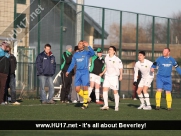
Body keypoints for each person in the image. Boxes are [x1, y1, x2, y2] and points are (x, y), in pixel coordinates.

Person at [66, 40, 95, 109]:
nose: (79, 45)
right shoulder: (75, 54)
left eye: (81, 44)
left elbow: (93, 53)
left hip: (85, 72)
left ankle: (85, 104)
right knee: (77, 89)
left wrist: (88, 46)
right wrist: (68, 71)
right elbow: (73, 63)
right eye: (78, 44)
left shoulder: (87, 53)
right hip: (78, 72)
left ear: (83, 46)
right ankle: (87, 98)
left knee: (85, 87)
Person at [100, 46, 123, 111]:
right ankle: (106, 105)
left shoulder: (117, 59)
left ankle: (116, 106)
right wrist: (102, 73)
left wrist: (121, 75)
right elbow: (106, 67)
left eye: (111, 49)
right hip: (107, 76)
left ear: (114, 52)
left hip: (114, 77)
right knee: (104, 89)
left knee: (115, 91)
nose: (109, 50)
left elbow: (121, 68)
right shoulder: (106, 57)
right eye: (109, 49)